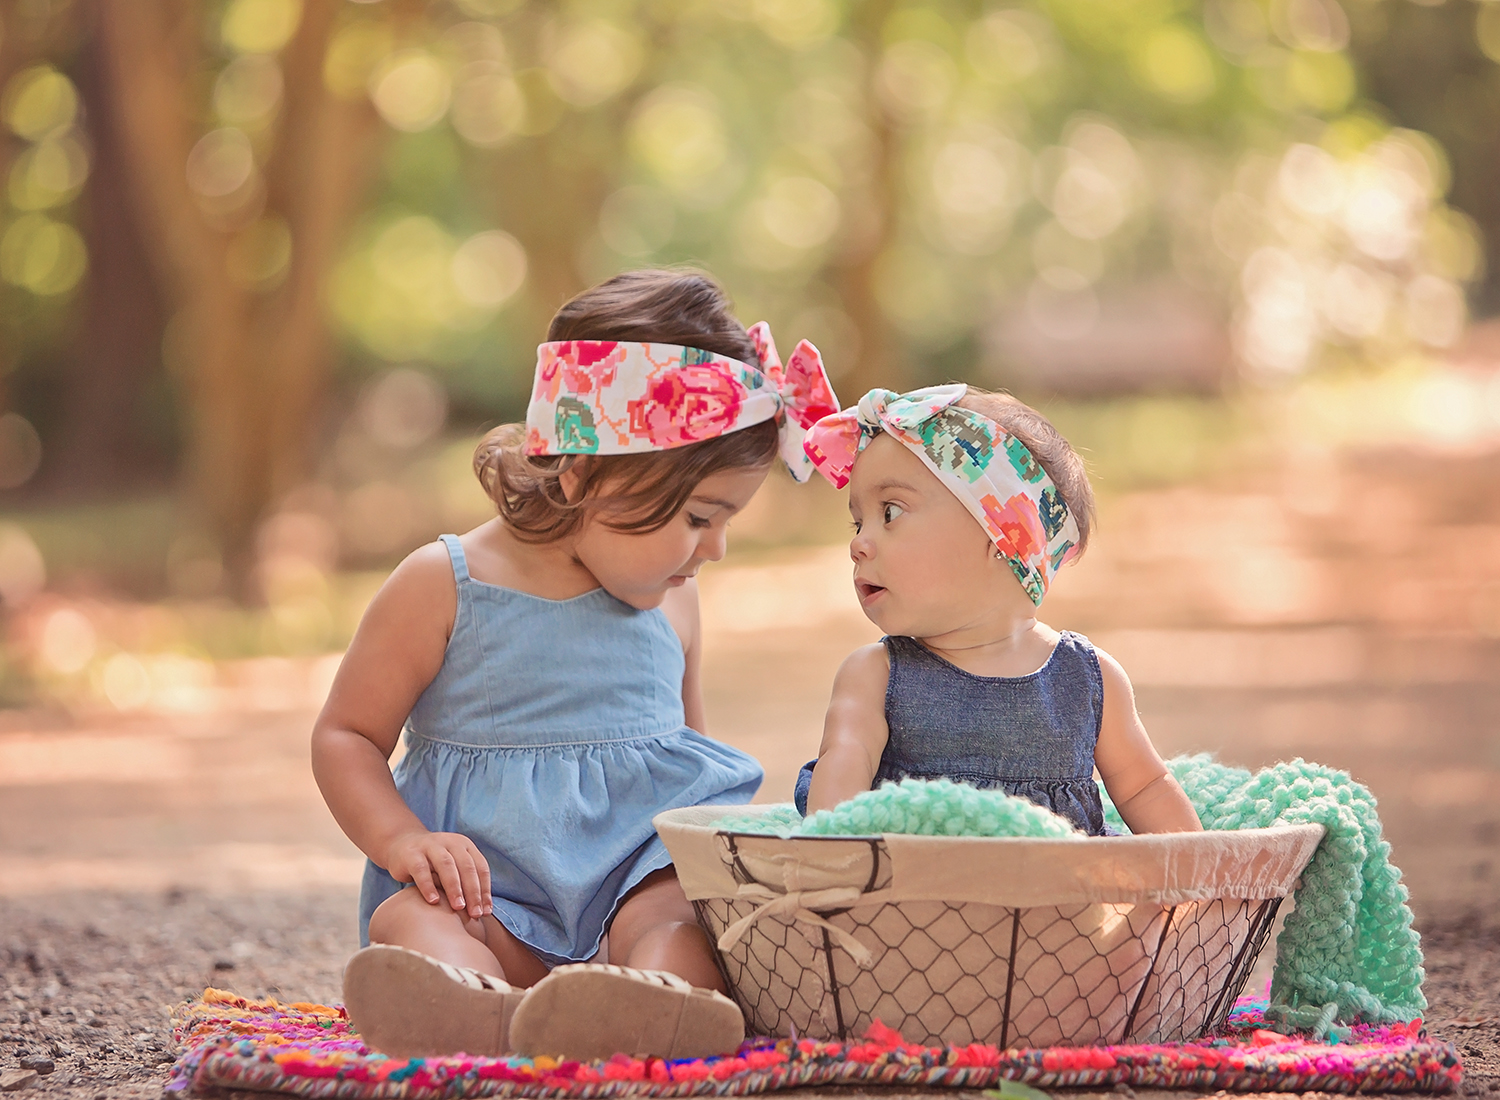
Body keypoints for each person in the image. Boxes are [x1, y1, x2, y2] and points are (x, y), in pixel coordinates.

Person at [311, 269, 838, 1062]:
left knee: (676, 919)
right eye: (699, 517)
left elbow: (688, 773)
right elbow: (345, 734)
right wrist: (401, 842)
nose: (715, 548)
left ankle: (649, 1004)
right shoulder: (445, 585)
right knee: (411, 924)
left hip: (628, 898)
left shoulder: (675, 599)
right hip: (485, 897)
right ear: (584, 470)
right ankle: (469, 1009)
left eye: (724, 521)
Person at [793, 384, 1201, 838]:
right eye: (858, 521)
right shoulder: (876, 676)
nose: (857, 544)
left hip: (1063, 901)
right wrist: (829, 866)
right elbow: (837, 800)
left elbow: (1146, 787)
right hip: (916, 900)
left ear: (1002, 536)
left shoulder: (1088, 679)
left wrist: (1203, 877)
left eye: (889, 513)